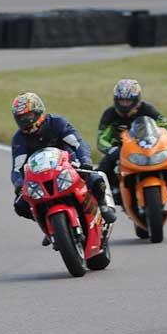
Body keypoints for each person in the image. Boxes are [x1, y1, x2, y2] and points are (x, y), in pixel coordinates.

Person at [10, 93, 117, 243]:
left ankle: (103, 207)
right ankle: (48, 226)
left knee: (95, 178)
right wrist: (19, 184)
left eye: (28, 116)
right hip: (41, 177)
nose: (24, 121)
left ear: (39, 111)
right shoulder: (19, 139)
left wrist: (85, 160)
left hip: (68, 166)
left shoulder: (57, 123)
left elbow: (78, 143)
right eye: (20, 118)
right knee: (20, 205)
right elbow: (16, 168)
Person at [96, 79, 167, 204]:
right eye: (121, 101)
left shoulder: (148, 109)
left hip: (147, 145)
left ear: (136, 99)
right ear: (116, 100)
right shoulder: (110, 114)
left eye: (128, 101)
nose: (125, 104)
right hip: (120, 150)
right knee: (101, 171)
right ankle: (107, 196)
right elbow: (101, 137)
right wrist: (110, 149)